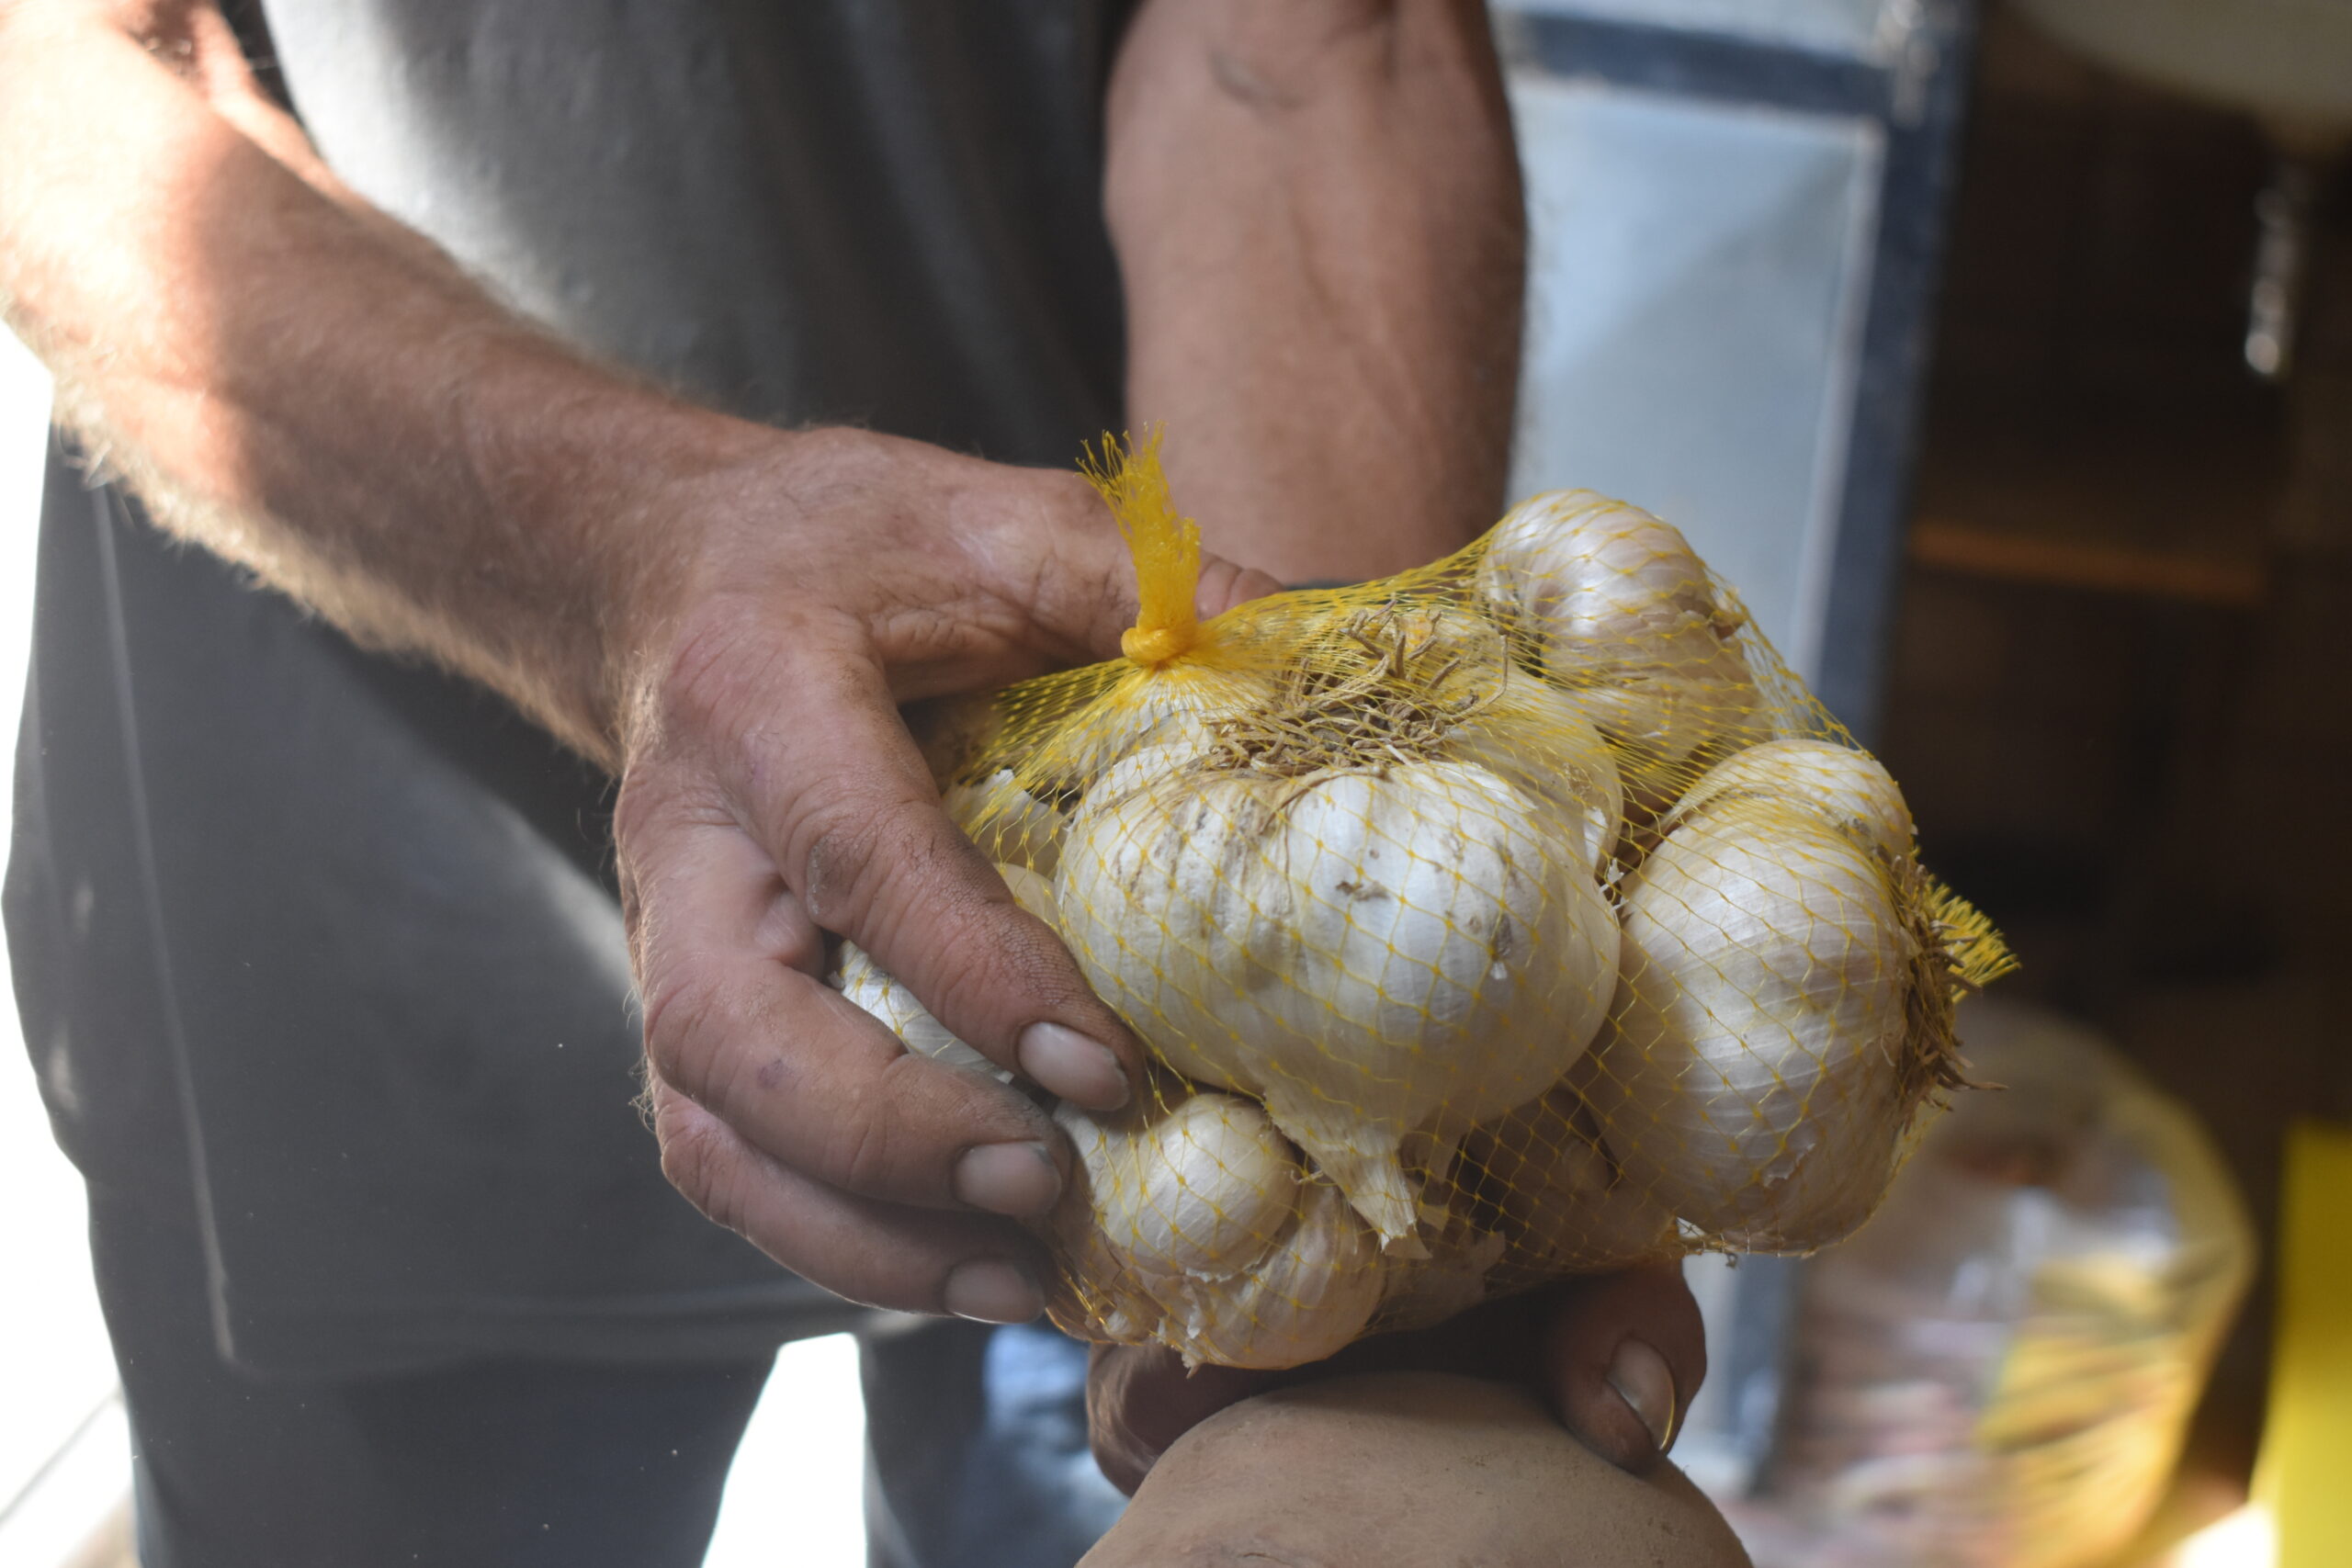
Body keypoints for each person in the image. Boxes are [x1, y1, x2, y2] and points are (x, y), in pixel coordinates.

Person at [0, 3, 1708, 1565]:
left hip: (1105, 948)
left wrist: (1334, 955)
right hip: (368, 928)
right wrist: (627, 551)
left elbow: (1321, 35)